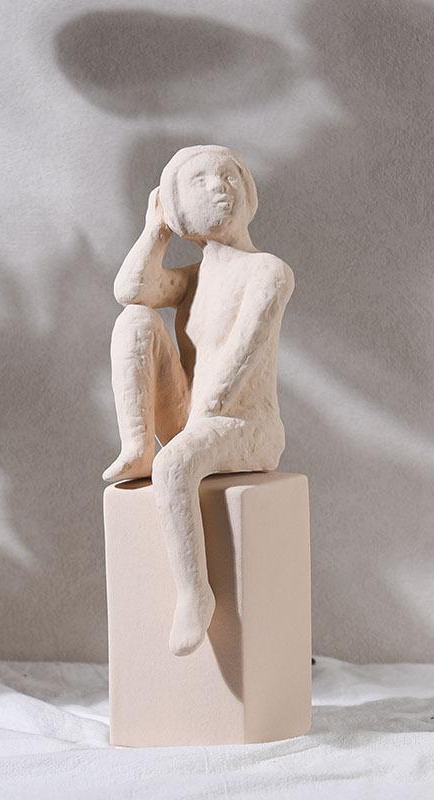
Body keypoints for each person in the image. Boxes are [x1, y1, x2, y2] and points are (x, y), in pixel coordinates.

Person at [103, 145, 295, 656]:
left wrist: (196, 430)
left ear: (248, 192)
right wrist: (156, 231)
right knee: (134, 320)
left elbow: (241, 356)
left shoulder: (268, 272)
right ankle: (137, 446)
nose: (219, 187)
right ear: (176, 204)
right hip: (196, 421)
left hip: (246, 426)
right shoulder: (193, 278)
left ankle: (195, 593)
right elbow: (130, 289)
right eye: (200, 181)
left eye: (230, 176)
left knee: (174, 467)